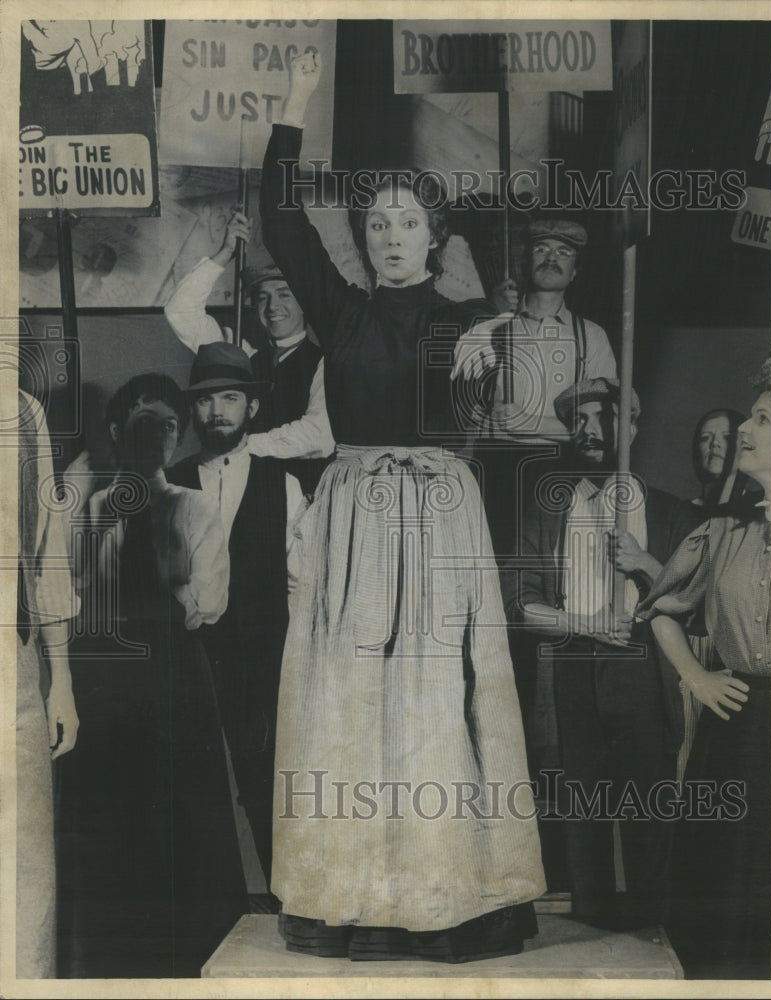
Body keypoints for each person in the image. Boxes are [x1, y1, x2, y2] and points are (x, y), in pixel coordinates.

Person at [256, 51, 545, 962]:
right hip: (352, 525)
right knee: (348, 697)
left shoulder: (466, 322)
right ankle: (351, 894)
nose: (388, 234)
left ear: (434, 234)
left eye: (406, 220)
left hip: (438, 520)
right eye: (375, 220)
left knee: (432, 697)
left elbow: (475, 412)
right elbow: (277, 214)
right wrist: (295, 105)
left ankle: (450, 893)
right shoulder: (339, 312)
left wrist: (474, 371)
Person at [57, 374, 247, 978]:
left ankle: (190, 961)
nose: (157, 436)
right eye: (141, 423)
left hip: (174, 680)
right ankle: (113, 961)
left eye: (168, 425)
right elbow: (71, 592)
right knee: (111, 818)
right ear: (116, 431)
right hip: (103, 679)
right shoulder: (86, 506)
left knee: (181, 820)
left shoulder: (193, 506)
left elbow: (207, 603)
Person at [500, 378, 697, 930]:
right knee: (578, 809)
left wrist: (643, 562)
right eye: (579, 421)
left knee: (648, 807)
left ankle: (655, 930)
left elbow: (697, 603)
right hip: (571, 666)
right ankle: (589, 934)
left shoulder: (670, 513)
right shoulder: (548, 510)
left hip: (644, 665)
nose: (590, 431)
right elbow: (518, 603)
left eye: (604, 419)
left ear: (631, 426)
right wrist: (584, 623)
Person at [638, 356, 771, 979]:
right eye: (749, 416)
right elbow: (660, 611)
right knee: (727, 899)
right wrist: (695, 675)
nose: (746, 429)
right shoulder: (722, 533)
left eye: (766, 419)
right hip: (741, 726)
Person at [166, 342, 303, 913]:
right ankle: (203, 909)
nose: (218, 411)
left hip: (264, 653)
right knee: (187, 779)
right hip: (185, 654)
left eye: (230, 398)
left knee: (266, 777)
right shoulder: (166, 482)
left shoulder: (285, 482)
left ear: (250, 408)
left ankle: (288, 901)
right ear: (193, 412)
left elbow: (303, 580)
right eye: (206, 401)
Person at [473, 219, 617, 555]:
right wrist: (490, 316)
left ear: (574, 271)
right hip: (497, 474)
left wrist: (529, 423)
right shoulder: (492, 326)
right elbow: (464, 407)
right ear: (526, 262)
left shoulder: (591, 337)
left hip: (560, 470)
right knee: (493, 569)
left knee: (552, 569)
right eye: (541, 249)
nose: (551, 257)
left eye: (563, 252)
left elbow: (605, 425)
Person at [164, 213, 334, 494]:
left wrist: (244, 445)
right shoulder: (239, 355)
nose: (272, 306)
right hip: (242, 491)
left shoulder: (327, 362)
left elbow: (319, 436)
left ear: (305, 303)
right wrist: (226, 252)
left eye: (284, 294)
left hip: (303, 501)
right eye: (262, 297)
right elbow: (180, 311)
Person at [14, 388, 80, 978]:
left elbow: (48, 553)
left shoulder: (22, 410)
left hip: (16, 666)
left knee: (26, 867)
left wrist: (61, 680)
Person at [676, 407, 745, 782]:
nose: (715, 445)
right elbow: (672, 595)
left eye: (725, 437)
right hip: (685, 652)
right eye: (705, 438)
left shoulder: (750, 517)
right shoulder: (677, 513)